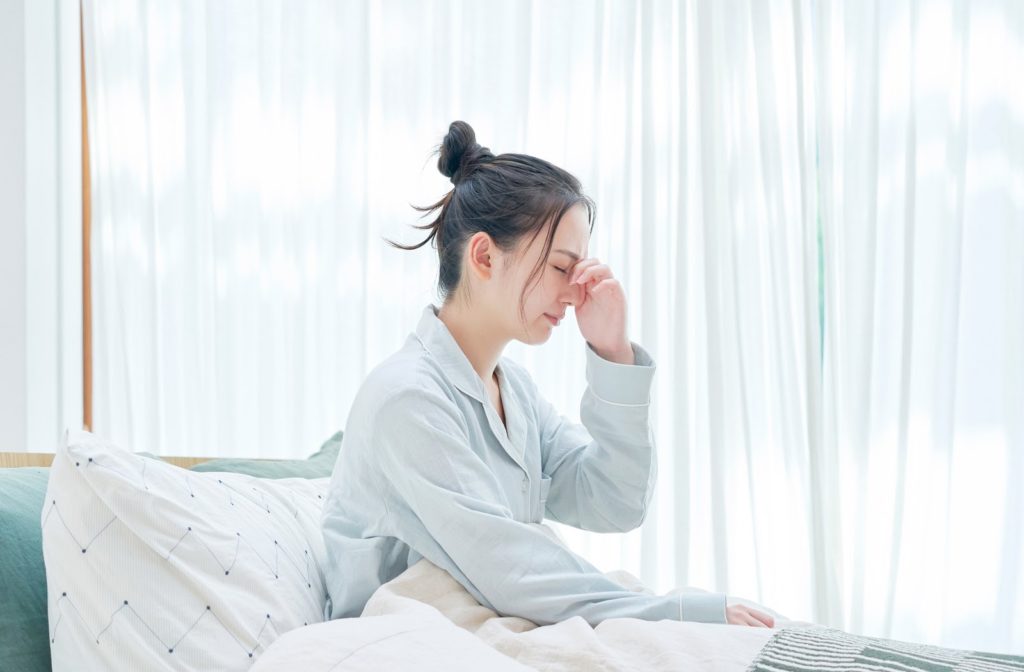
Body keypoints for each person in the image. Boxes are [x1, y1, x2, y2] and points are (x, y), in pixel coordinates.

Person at [320, 120, 775, 629]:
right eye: (562, 268)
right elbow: (511, 569)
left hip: (477, 627)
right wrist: (678, 614)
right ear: (485, 256)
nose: (575, 291)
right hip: (400, 639)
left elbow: (614, 503)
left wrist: (612, 353)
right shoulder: (406, 400)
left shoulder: (514, 392)